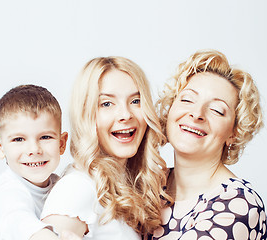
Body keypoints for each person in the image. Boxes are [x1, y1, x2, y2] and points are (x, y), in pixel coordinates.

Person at [40, 56, 172, 239]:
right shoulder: (77, 188)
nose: (125, 114)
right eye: (106, 104)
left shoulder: (121, 186)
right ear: (85, 114)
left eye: (135, 101)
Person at [151, 49, 267, 239]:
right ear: (171, 109)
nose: (197, 114)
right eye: (187, 99)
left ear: (234, 132)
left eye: (216, 110)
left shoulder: (239, 205)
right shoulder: (150, 185)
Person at [0, 84, 68, 240]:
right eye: (18, 139)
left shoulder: (61, 186)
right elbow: (18, 221)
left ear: (62, 143)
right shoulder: (6, 192)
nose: (34, 149)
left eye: (45, 137)